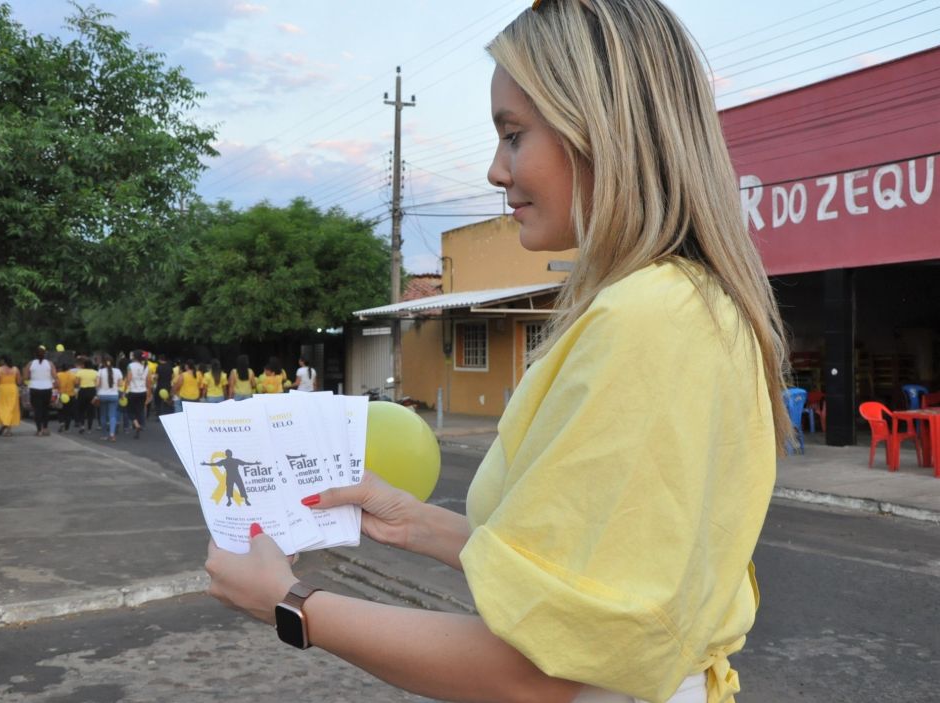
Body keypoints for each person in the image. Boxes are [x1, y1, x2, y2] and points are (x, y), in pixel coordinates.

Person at [203, 2, 791, 703]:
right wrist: (414, 521)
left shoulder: (649, 317)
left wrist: (290, 601)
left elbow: (539, 673)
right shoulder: (685, 303)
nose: (493, 168)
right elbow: (580, 577)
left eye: (513, 135)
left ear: (600, 127)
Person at [23, 345, 57, 436]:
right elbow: (55, 376)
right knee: (45, 409)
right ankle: (45, 428)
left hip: (34, 388)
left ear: (35, 354)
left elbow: (25, 377)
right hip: (47, 388)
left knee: (37, 410)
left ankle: (39, 430)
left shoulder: (30, 364)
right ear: (45, 354)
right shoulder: (50, 363)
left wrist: (33, 376)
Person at [124, 350, 153, 439]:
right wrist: (149, 392)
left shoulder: (130, 366)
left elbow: (129, 379)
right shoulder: (146, 367)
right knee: (139, 410)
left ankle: (136, 425)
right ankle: (139, 425)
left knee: (129, 411)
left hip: (132, 391)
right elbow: (148, 381)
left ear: (134, 357)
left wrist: (125, 390)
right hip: (143, 392)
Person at [0, 354, 21, 437]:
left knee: (2, 408)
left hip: (2, 390)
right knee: (11, 408)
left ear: (3, 361)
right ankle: (8, 430)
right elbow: (19, 382)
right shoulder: (15, 369)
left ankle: (5, 424)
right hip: (12, 389)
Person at [96, 354, 123, 442]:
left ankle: (104, 435)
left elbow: (97, 384)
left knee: (103, 415)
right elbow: (120, 384)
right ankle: (112, 434)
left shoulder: (100, 371)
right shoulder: (118, 371)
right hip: (114, 395)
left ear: (103, 362)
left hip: (102, 395)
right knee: (112, 415)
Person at [74, 358, 99, 434]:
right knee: (90, 410)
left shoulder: (80, 372)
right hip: (92, 391)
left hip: (83, 391)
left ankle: (82, 426)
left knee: (81, 409)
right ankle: (89, 428)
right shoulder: (95, 372)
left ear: (84, 365)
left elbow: (77, 383)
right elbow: (97, 384)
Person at [56, 355, 78, 433]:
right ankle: (67, 428)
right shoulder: (72, 375)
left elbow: (56, 384)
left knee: (60, 410)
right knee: (68, 412)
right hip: (71, 395)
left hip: (62, 395)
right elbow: (76, 384)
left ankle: (61, 422)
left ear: (61, 368)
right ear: (68, 368)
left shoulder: (58, 375)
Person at [153, 353, 174, 417]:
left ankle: (158, 414)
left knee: (157, 400)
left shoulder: (159, 367)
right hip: (168, 385)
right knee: (167, 399)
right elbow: (172, 376)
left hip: (160, 385)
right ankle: (168, 413)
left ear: (159, 360)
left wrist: (154, 379)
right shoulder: (170, 367)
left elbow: (156, 377)